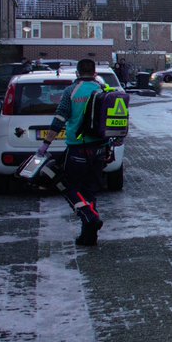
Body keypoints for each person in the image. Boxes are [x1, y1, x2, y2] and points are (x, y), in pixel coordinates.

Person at [39, 58, 108, 247]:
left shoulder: (71, 91)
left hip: (78, 148)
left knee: (69, 187)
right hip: (99, 149)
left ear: (77, 73)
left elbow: (60, 119)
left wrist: (46, 144)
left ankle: (89, 216)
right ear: (95, 73)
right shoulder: (102, 90)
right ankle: (89, 237)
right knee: (90, 191)